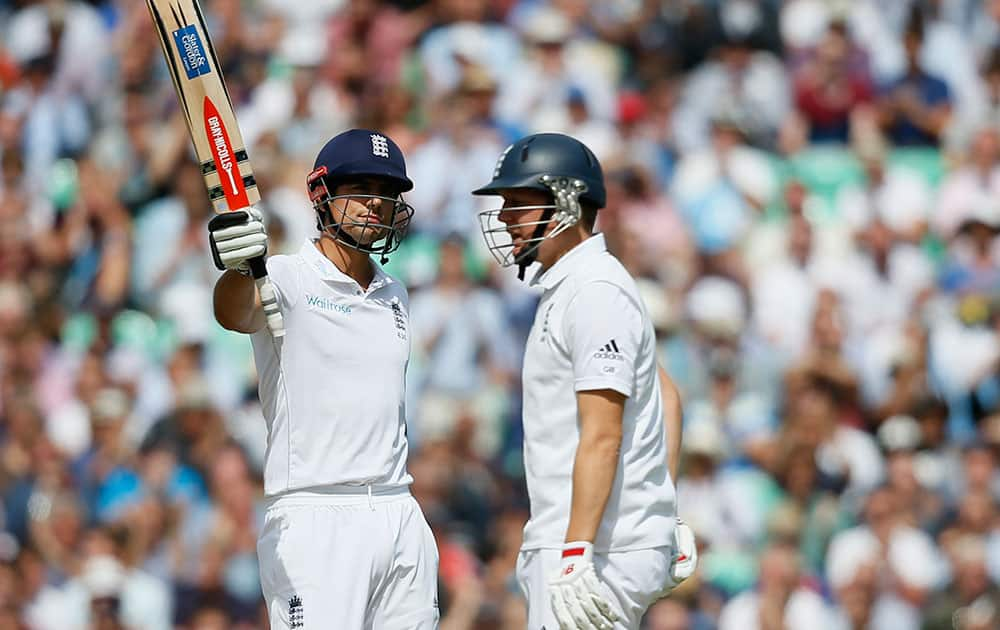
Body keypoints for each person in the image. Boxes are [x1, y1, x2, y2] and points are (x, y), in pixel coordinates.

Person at [209, 129, 439, 629]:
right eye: (360, 188)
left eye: (387, 192)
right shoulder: (287, 277)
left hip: (399, 509)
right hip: (315, 516)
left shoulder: (394, 294)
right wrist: (237, 268)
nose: (375, 204)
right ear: (321, 193)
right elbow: (233, 312)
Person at [472, 133, 697, 629]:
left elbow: (603, 434)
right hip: (603, 540)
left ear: (567, 205)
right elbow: (665, 393)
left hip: (595, 548)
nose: (505, 217)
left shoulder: (594, 291)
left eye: (518, 202)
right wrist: (664, 509)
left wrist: (576, 551)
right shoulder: (580, 285)